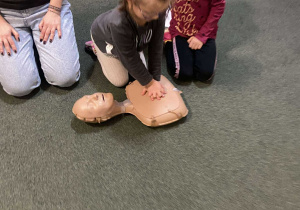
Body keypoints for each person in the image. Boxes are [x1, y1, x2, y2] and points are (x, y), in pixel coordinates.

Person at [90, 0, 172, 101]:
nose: (156, 17)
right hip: (106, 41)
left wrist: (154, 79)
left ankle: (134, 45)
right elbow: (129, 58)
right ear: (130, 3)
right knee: (120, 81)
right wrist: (149, 83)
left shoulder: (157, 12)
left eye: (159, 12)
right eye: (148, 13)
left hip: (134, 41)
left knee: (143, 72)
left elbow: (156, 47)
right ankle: (95, 48)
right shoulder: (118, 23)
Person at [0, 0, 80, 97]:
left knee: (65, 78)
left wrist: (54, 11)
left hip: (46, 7)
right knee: (19, 88)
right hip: (5, 14)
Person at [72, 76, 188, 127]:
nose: (94, 97)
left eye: (89, 95)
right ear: (104, 118)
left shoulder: (131, 87)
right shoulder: (148, 117)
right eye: (92, 104)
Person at [164, 0, 225, 82]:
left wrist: (201, 36)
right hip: (180, 29)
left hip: (204, 30)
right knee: (181, 74)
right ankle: (168, 40)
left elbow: (218, 6)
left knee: (205, 74)